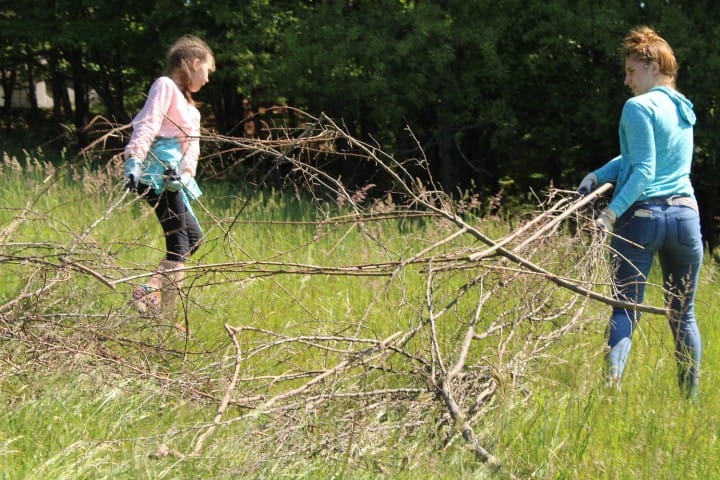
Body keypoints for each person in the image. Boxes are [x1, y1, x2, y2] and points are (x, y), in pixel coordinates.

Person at [577, 26, 703, 397]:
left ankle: (610, 394)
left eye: (632, 71)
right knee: (685, 315)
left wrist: (609, 213)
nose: (627, 80)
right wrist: (599, 174)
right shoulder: (683, 108)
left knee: (623, 310)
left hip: (642, 219)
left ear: (650, 67)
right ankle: (690, 400)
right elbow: (638, 159)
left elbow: (644, 172)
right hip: (685, 218)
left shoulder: (637, 107)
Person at [123, 35, 215, 324]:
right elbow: (148, 122)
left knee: (194, 239)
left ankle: (151, 292)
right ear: (193, 63)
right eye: (207, 71)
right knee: (178, 244)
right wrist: (135, 160)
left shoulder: (192, 110)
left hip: (175, 178)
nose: (208, 79)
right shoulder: (165, 86)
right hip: (157, 172)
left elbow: (192, 150)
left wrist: (186, 178)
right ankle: (164, 315)